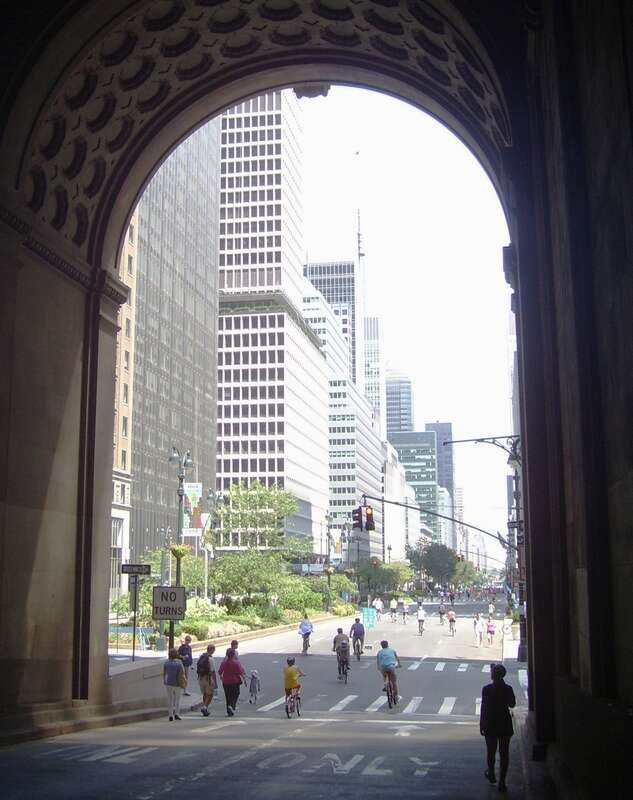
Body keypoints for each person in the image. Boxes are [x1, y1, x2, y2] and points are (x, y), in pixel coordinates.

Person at [480, 663, 516, 793]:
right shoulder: (508, 689)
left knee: (491, 752)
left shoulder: (487, 689)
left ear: (493, 675)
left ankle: (491, 773)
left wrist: (482, 724)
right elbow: (512, 704)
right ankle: (502, 781)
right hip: (504, 723)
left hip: (490, 723)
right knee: (504, 753)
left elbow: (483, 707)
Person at [218, 647, 247, 717]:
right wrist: (244, 680)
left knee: (228, 696)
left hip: (226, 682)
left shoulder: (224, 663)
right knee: (236, 693)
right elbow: (240, 672)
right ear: (233, 654)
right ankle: (232, 706)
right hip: (234, 681)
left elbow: (220, 671)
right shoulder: (236, 663)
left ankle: (229, 711)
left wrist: (221, 675)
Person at [163, 647, 185, 721]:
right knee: (177, 699)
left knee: (170, 699)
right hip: (177, 683)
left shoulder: (166, 663)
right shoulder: (179, 663)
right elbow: (182, 672)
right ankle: (177, 714)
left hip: (169, 683)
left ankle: (170, 715)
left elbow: (164, 673)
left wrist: (164, 681)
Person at [196, 643, 217, 717]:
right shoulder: (210, 659)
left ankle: (205, 707)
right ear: (212, 650)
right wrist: (213, 680)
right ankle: (205, 707)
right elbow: (212, 670)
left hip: (201, 677)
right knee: (210, 694)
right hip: (208, 678)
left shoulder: (201, 657)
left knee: (205, 693)